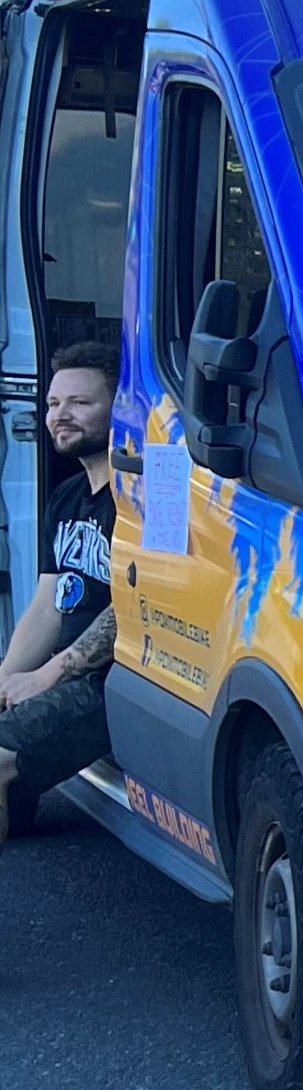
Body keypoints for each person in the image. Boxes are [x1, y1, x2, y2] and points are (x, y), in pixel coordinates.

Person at [0, 340, 119, 835]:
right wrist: (7, 678)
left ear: (121, 409)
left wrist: (46, 676)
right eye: (53, 403)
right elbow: (47, 607)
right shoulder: (68, 496)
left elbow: (135, 608)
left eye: (80, 403)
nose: (59, 415)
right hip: (60, 676)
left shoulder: (144, 498)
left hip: (108, 683)